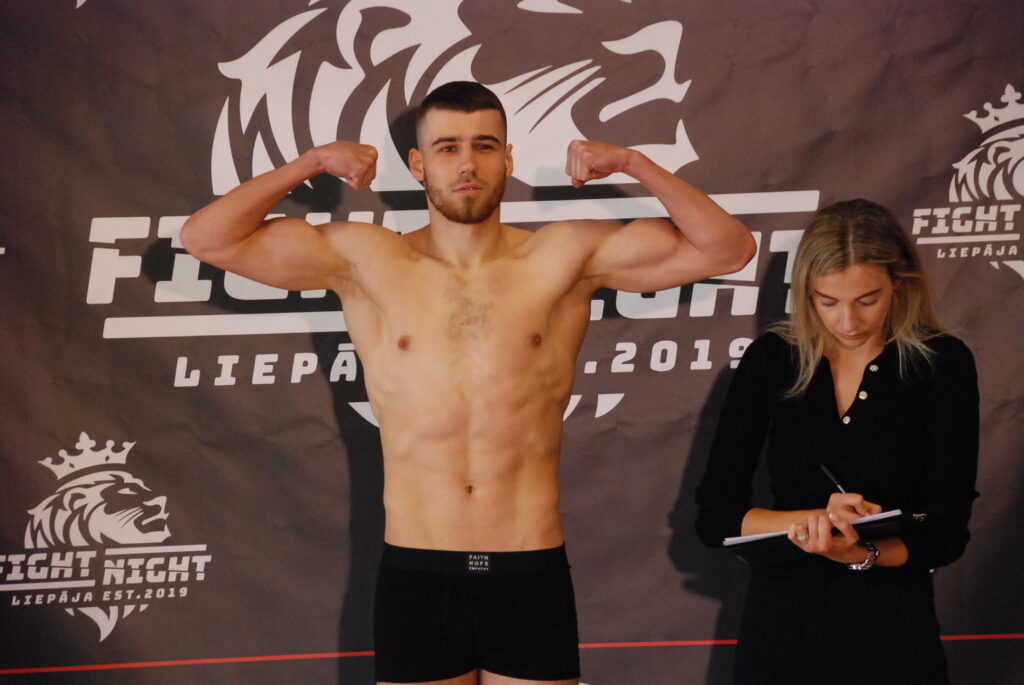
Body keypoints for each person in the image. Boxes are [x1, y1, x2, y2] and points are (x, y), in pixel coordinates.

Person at [181, 81, 755, 685]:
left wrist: (634, 163)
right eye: (447, 147)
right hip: (417, 576)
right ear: (418, 165)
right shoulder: (368, 260)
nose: (467, 164)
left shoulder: (564, 255)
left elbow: (728, 249)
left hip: (529, 572)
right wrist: (312, 162)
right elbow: (206, 238)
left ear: (507, 159)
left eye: (484, 146)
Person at [694, 198, 979, 685]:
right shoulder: (772, 359)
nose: (848, 321)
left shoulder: (942, 363)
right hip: (781, 628)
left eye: (867, 299)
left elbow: (946, 531)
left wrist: (859, 553)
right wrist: (815, 523)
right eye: (828, 302)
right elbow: (715, 516)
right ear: (806, 293)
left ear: (900, 283)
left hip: (894, 630)